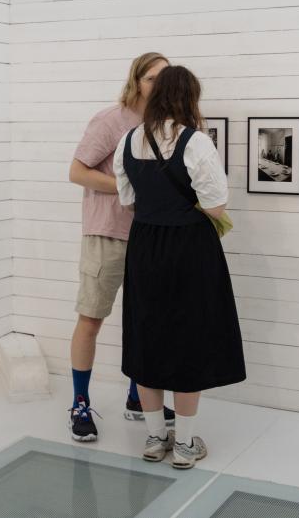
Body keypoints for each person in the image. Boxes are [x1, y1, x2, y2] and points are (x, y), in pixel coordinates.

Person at [113, 65, 246, 470]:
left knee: (148, 333)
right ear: (189, 97)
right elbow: (215, 206)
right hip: (190, 247)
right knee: (191, 336)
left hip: (146, 245)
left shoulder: (128, 140)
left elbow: (127, 199)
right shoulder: (197, 142)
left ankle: (155, 438)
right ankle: (186, 444)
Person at [67, 52, 176, 442]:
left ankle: (137, 397)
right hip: (107, 234)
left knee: (144, 321)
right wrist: (128, 187)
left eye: (164, 77)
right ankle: (80, 403)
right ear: (136, 81)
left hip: (149, 236)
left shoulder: (165, 127)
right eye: (151, 77)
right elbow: (76, 171)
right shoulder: (111, 120)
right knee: (92, 318)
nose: (157, 84)